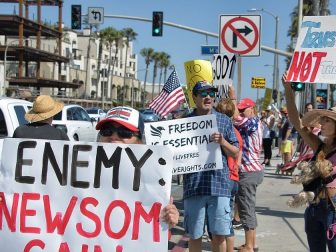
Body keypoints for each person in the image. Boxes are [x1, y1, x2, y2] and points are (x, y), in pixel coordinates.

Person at [95, 106, 179, 228]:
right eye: (107, 131)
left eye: (124, 132)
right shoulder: (78, 170)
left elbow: (156, 224)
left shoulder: (154, 177)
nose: (113, 136)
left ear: (139, 140)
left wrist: (169, 218)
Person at [282, 73, 336, 252]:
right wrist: (288, 91)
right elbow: (296, 123)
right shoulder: (319, 144)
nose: (322, 123)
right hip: (314, 207)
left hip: (333, 208)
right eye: (323, 120)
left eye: (328, 120)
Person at [183, 80, 239, 252]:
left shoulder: (223, 120)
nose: (208, 97)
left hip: (219, 186)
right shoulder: (184, 122)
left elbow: (235, 152)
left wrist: (222, 141)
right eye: (203, 93)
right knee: (194, 234)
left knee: (219, 235)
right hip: (194, 186)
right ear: (194, 97)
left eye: (211, 93)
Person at [228, 85, 264, 252]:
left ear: (253, 109)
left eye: (244, 109)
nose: (241, 112)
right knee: (245, 207)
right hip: (251, 170)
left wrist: (233, 97)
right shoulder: (252, 123)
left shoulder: (253, 122)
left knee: (247, 208)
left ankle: (250, 246)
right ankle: (252, 243)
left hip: (249, 171)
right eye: (240, 109)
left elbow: (235, 117)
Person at [216, 97, 243, 252]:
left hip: (226, 179)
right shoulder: (236, 132)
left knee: (224, 223)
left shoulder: (226, 132)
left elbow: (235, 154)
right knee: (225, 221)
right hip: (233, 178)